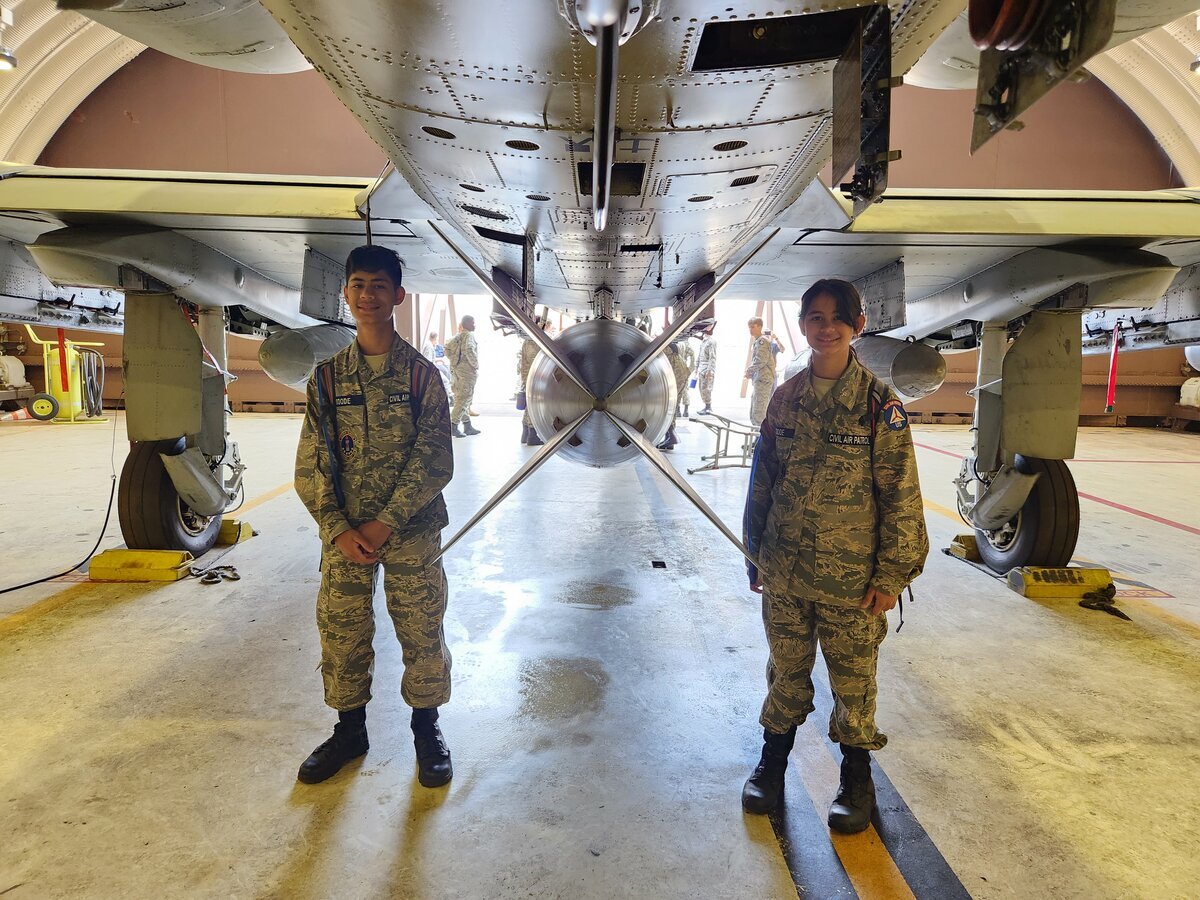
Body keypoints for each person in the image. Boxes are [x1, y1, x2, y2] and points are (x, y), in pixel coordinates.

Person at [740, 278, 928, 832]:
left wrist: (892, 574)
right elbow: (762, 482)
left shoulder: (879, 406)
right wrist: (755, 556)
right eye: (815, 317)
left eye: (837, 318)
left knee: (854, 680)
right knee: (786, 672)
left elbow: (900, 494)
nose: (827, 327)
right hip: (787, 572)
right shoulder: (785, 397)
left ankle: (857, 777)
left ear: (858, 327)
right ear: (803, 325)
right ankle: (771, 766)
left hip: (853, 579)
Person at [294, 244, 455, 788]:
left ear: (398, 296)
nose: (368, 295)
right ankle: (349, 730)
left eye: (379, 286)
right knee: (342, 633)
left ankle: (426, 729)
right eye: (359, 284)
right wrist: (338, 529)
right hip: (344, 539)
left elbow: (434, 458)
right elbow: (311, 461)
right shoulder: (326, 379)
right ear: (346, 293)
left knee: (421, 630)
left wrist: (385, 521)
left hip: (409, 533)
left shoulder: (422, 377)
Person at [444, 315, 480, 437]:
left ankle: (467, 425)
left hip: (457, 371)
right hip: (467, 373)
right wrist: (475, 364)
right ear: (467, 324)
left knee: (462, 397)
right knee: (464, 398)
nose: (474, 325)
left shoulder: (458, 337)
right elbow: (469, 349)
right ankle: (453, 425)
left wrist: (454, 361)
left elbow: (447, 349)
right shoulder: (469, 336)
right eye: (473, 323)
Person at [656, 340, 691, 451]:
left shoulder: (658, 345)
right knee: (673, 405)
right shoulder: (663, 343)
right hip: (680, 372)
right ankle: (670, 438)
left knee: (669, 405)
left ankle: (671, 436)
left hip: (676, 374)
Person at [745, 317, 777, 427]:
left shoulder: (762, 342)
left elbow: (760, 360)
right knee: (755, 408)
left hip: (764, 379)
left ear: (760, 326)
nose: (750, 330)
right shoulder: (758, 341)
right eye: (749, 327)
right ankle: (755, 437)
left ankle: (759, 440)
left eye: (753, 327)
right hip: (760, 379)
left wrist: (749, 371)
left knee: (759, 410)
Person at [518, 319, 546, 446]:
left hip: (527, 376)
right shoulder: (534, 342)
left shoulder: (528, 340)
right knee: (533, 405)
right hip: (533, 377)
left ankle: (525, 433)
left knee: (529, 404)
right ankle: (532, 435)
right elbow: (536, 363)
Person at [696, 325, 717, 416]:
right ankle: (706, 406)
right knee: (701, 388)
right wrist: (696, 367)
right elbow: (699, 356)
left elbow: (712, 357)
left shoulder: (711, 342)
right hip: (701, 368)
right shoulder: (704, 341)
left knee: (706, 389)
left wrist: (709, 371)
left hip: (707, 369)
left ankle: (708, 407)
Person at [679, 338, 697, 418]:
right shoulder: (686, 344)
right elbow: (693, 357)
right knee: (684, 389)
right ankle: (684, 410)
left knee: (678, 390)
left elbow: (693, 357)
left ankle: (680, 410)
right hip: (684, 368)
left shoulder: (680, 342)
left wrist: (690, 369)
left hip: (679, 368)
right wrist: (690, 369)